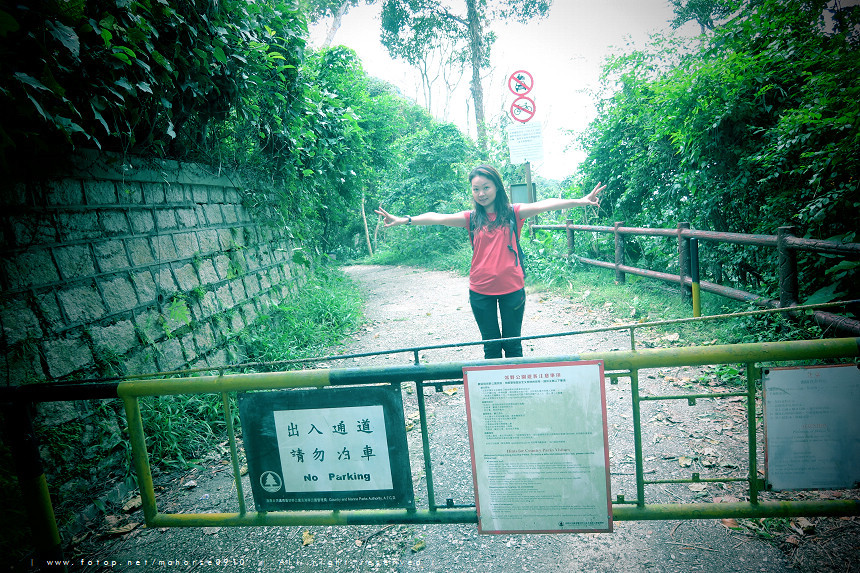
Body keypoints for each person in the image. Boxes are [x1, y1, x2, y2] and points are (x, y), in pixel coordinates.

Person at [375, 164, 603, 359]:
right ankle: (494, 396)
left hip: (512, 289)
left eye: (486, 187)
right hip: (480, 291)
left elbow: (547, 204)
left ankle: (516, 391)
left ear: (497, 187)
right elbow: (437, 218)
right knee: (491, 347)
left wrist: (581, 201)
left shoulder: (514, 213)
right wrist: (403, 220)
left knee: (513, 346)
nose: (481, 193)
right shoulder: (471, 218)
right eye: (476, 189)